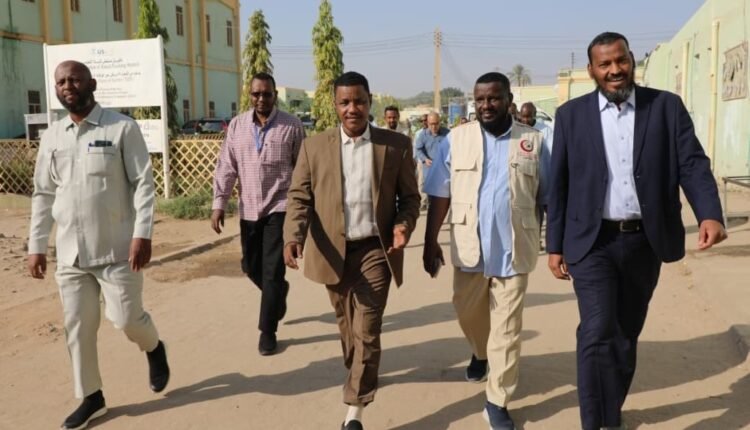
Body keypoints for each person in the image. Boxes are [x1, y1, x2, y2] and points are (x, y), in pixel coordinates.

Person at [546, 32, 727, 430]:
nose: (615, 70)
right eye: (605, 64)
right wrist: (554, 244)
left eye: (621, 60)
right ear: (591, 70)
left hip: (645, 240)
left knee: (625, 333)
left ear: (631, 60)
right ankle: (595, 424)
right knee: (597, 330)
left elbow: (692, 163)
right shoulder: (571, 116)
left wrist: (710, 214)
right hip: (592, 241)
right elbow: (559, 182)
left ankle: (610, 412)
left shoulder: (665, 107)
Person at [27, 60, 170, 430]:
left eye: (74, 79)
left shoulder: (121, 128)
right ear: (56, 89)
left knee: (127, 319)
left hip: (117, 249)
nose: (67, 86)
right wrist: (36, 244)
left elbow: (143, 184)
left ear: (91, 84)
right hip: (70, 253)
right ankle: (91, 396)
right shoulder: (52, 137)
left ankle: (154, 347)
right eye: (61, 81)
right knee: (77, 325)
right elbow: (43, 194)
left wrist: (142, 233)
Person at [283, 71, 420, 430]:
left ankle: (355, 409)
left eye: (359, 101)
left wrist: (403, 225)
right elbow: (299, 197)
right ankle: (360, 370)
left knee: (368, 329)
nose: (352, 108)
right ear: (335, 105)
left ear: (370, 101)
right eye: (345, 102)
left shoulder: (395, 145)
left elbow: (410, 198)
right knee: (348, 328)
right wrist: (293, 236)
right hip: (333, 253)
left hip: (376, 250)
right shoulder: (314, 147)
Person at [423, 72, 548, 430]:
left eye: (493, 98)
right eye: (479, 99)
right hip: (470, 249)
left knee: (507, 330)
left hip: (513, 250)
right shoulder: (456, 139)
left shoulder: (533, 142)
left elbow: (549, 197)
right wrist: (430, 242)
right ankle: (480, 352)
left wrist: (556, 245)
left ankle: (497, 401)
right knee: (467, 313)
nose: (486, 105)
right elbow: (440, 194)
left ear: (509, 100)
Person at [211, 72, 305, 356]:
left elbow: (303, 170)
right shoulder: (237, 126)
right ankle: (278, 293)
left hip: (280, 207)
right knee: (251, 267)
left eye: (266, 94)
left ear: (275, 95)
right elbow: (227, 166)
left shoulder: (292, 125)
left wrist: (303, 212)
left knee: (272, 269)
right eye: (256, 94)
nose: (261, 99)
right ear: (249, 95)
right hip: (249, 209)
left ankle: (268, 331)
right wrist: (219, 203)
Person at [517, 101, 554, 247]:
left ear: (534, 115)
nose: (526, 120)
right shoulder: (518, 131)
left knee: (551, 216)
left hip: (546, 180)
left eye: (529, 116)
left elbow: (553, 153)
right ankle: (535, 243)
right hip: (529, 182)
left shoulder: (546, 131)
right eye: (523, 116)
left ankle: (553, 244)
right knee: (533, 216)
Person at [414, 112, 449, 209]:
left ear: (440, 122)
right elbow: (418, 149)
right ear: (428, 123)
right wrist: (425, 159)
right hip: (429, 170)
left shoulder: (447, 134)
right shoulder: (423, 135)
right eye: (431, 124)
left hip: (443, 170)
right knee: (431, 197)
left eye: (436, 124)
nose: (434, 127)